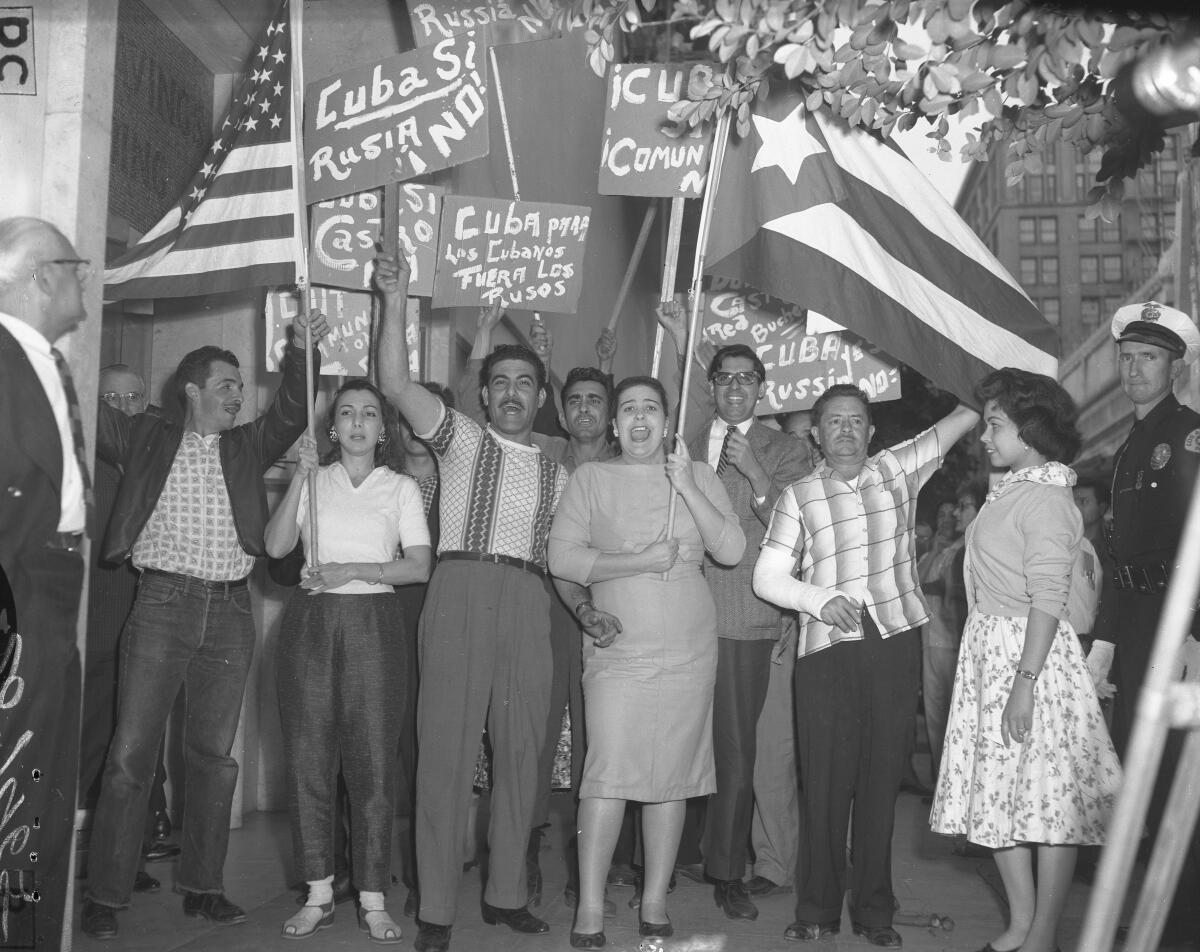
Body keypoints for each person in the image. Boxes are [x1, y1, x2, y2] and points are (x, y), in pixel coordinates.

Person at [374, 253, 612, 952]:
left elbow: (564, 558)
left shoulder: (558, 468)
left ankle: (508, 893)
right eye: (499, 382)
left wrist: (584, 608)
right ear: (482, 394)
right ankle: (438, 911)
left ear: (543, 399)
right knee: (444, 754)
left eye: (525, 385)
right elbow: (392, 380)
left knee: (523, 752)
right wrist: (393, 301)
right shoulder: (457, 436)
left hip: (533, 600)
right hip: (460, 591)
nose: (511, 393)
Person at [81, 309, 328, 940]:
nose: (238, 395)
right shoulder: (145, 436)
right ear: (192, 391)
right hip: (161, 606)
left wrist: (301, 349)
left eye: (241, 386)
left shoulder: (245, 445)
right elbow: (85, 410)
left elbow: (293, 412)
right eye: (226, 384)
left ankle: (204, 887)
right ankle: (106, 893)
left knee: (214, 759)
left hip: (230, 611)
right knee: (130, 756)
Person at [753, 383, 979, 948]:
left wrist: (981, 367)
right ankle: (818, 910)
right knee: (824, 782)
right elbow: (767, 577)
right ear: (816, 432)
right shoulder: (797, 496)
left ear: (872, 430)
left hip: (895, 641)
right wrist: (815, 599)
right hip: (827, 649)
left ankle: (876, 913)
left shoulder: (898, 469)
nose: (846, 430)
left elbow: (964, 414)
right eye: (834, 422)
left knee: (881, 782)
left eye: (857, 421)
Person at [549, 375, 746, 948]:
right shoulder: (591, 478)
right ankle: (589, 908)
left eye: (651, 409)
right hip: (619, 649)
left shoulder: (698, 474)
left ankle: (655, 903)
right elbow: (562, 558)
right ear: (614, 423)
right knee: (606, 774)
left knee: (671, 778)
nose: (640, 419)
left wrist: (686, 485)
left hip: (689, 649)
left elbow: (730, 551)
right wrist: (634, 561)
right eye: (629, 409)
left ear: (667, 421)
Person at [930, 368, 1121, 952]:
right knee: (998, 794)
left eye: (995, 425)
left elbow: (1048, 598)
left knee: (1048, 802)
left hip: (1027, 656)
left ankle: (1041, 936)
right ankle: (1019, 926)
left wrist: (1025, 683)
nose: (984, 436)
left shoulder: (1044, 498)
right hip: (993, 651)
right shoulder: (1014, 486)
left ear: (1032, 430)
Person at [266, 378, 431, 942]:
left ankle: (373, 897)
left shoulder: (399, 488)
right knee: (310, 762)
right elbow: (277, 547)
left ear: (384, 430)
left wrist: (355, 571)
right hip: (310, 625)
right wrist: (297, 480)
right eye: (346, 414)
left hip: (375, 626)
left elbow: (419, 566)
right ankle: (317, 894)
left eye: (369, 414)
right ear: (331, 428)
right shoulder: (315, 481)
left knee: (373, 767)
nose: (357, 422)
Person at [687, 344, 810, 921]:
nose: (735, 387)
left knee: (738, 753)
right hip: (679, 615)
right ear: (710, 385)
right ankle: (673, 857)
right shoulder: (680, 444)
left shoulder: (786, 450)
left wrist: (756, 473)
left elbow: (803, 531)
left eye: (747, 379)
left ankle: (729, 871)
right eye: (724, 378)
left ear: (762, 389)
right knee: (683, 746)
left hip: (744, 617)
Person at [1093, 301, 1200, 946]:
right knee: (1143, 765)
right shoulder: (1131, 443)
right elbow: (1116, 552)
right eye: (1128, 358)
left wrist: (1194, 631)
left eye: (1149, 359)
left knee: (1172, 773)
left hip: (1175, 621)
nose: (1134, 370)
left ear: (1176, 367)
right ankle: (1163, 914)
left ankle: (1182, 919)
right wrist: (1106, 641)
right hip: (1136, 620)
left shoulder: (1189, 437)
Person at [0, 216, 93, 950]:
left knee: (43, 798)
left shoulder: (45, 364)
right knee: (14, 799)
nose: (83, 277)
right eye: (75, 266)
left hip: (56, 596)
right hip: (17, 599)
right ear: (40, 277)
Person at [80, 365, 177, 893]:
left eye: (132, 396)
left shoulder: (163, 449)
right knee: (99, 732)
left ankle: (133, 852)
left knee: (140, 737)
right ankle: (100, 858)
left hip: (154, 613)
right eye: (109, 396)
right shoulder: (81, 456)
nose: (121, 405)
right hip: (95, 615)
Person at [915, 498, 963, 780]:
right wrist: (933, 550)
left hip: (951, 640)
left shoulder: (961, 549)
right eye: (942, 514)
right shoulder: (933, 554)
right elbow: (915, 583)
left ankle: (951, 781)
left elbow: (937, 587)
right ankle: (938, 780)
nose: (947, 519)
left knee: (951, 713)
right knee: (934, 714)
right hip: (929, 641)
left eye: (951, 513)